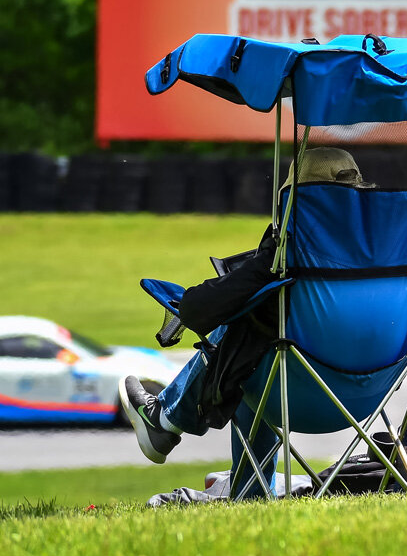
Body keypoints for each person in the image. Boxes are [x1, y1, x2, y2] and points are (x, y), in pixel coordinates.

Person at [118, 148, 371, 469]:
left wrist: (200, 300)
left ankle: (165, 419)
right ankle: (248, 493)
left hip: (305, 394)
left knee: (246, 341)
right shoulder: (395, 250)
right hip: (375, 392)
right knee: (256, 343)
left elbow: (199, 312)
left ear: (296, 197)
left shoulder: (290, 249)